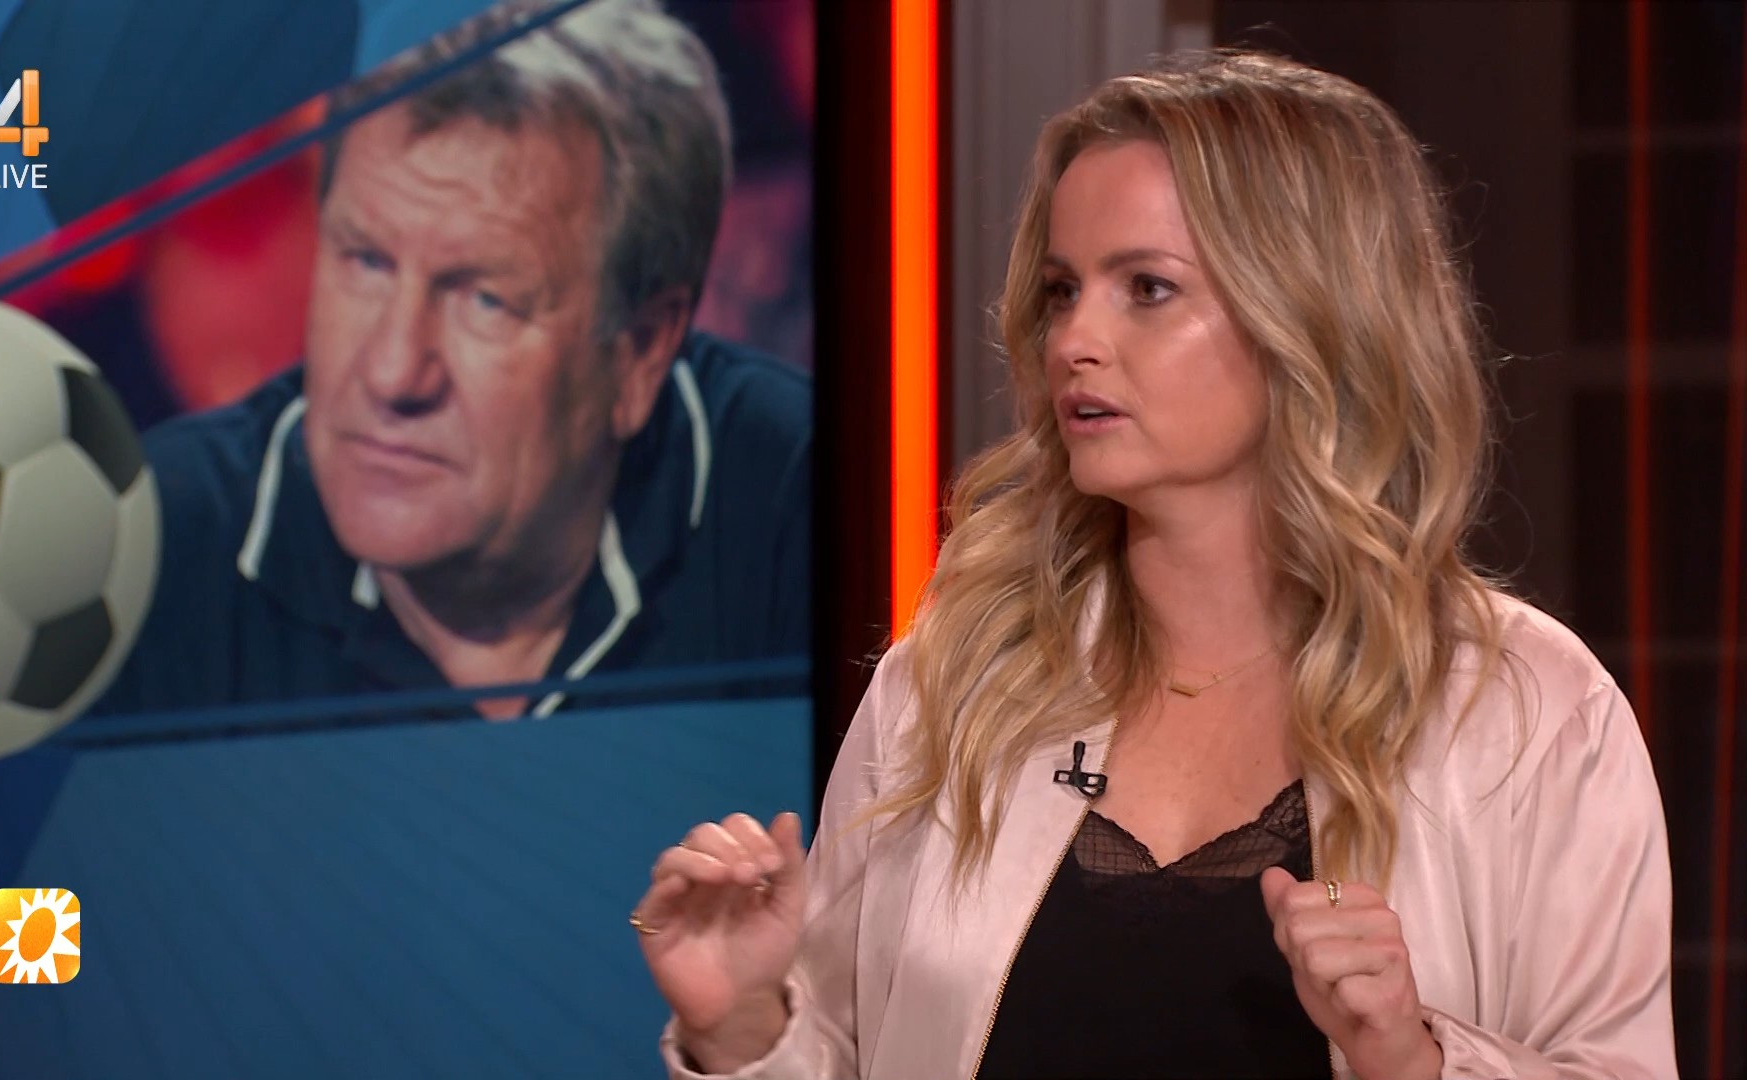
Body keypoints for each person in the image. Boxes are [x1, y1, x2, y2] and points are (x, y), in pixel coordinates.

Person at [630, 51, 1675, 1080]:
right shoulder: (951, 689)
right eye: (1061, 291)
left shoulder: (1528, 713)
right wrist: (743, 1030)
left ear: (1308, 314)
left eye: (1147, 288)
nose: (1074, 341)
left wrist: (1414, 1062)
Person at [90, 0, 810, 723]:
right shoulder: (147, 565)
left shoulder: (794, 522)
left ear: (641, 350)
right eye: (366, 262)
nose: (393, 373)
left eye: (486, 301)